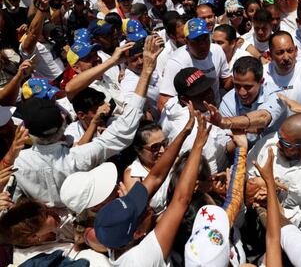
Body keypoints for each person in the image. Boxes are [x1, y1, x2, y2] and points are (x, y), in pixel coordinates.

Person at [10, 36, 162, 207]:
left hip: (46, 228)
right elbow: (124, 128)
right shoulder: (78, 158)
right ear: (62, 120)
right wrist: (147, 71)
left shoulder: (17, 164)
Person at [93, 110, 211, 266]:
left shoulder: (115, 239)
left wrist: (185, 133)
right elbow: (181, 199)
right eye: (143, 211)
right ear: (137, 233)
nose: (147, 208)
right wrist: (198, 145)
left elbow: (155, 178)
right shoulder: (144, 257)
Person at [160, 67, 232, 174]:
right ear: (184, 100)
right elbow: (208, 175)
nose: (209, 94)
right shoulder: (194, 133)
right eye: (201, 94)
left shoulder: (174, 103)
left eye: (208, 88)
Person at [205, 56, 286, 145]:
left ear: (261, 82)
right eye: (237, 86)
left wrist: (227, 122)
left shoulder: (276, 94)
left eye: (248, 87)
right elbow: (228, 144)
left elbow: (263, 117)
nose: (242, 92)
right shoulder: (228, 102)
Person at [158, 18, 232, 110]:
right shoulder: (176, 62)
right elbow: (163, 101)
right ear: (186, 41)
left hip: (216, 110)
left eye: (205, 39)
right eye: (196, 41)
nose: (202, 45)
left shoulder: (217, 50)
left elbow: (226, 82)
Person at [264, 31, 301, 112]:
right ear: (270, 55)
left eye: (290, 51)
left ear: (296, 51)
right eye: (280, 53)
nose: (286, 57)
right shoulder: (261, 74)